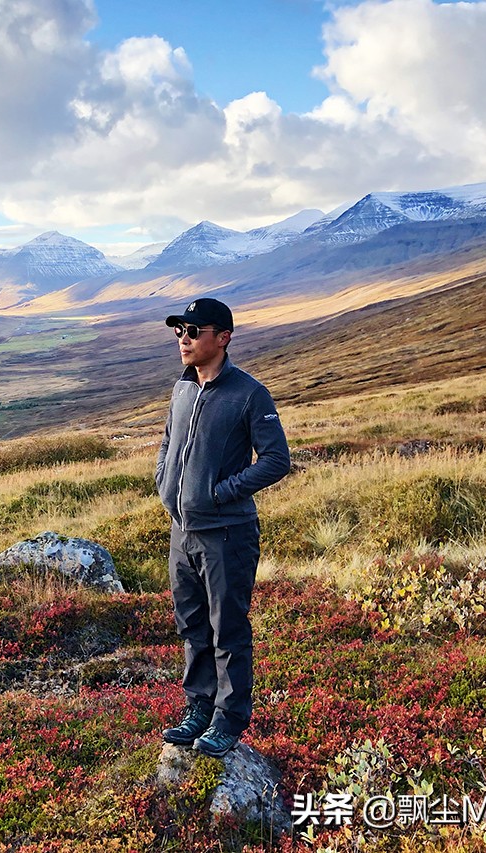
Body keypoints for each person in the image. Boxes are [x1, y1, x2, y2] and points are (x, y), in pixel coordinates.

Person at [154, 297, 290, 756]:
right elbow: (169, 440)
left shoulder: (249, 394)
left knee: (226, 629)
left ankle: (229, 719)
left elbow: (276, 460)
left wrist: (219, 492)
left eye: (194, 330)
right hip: (182, 532)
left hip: (227, 533)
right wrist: (165, 483)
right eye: (179, 331)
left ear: (223, 337)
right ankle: (199, 707)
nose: (184, 339)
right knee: (191, 625)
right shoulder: (182, 387)